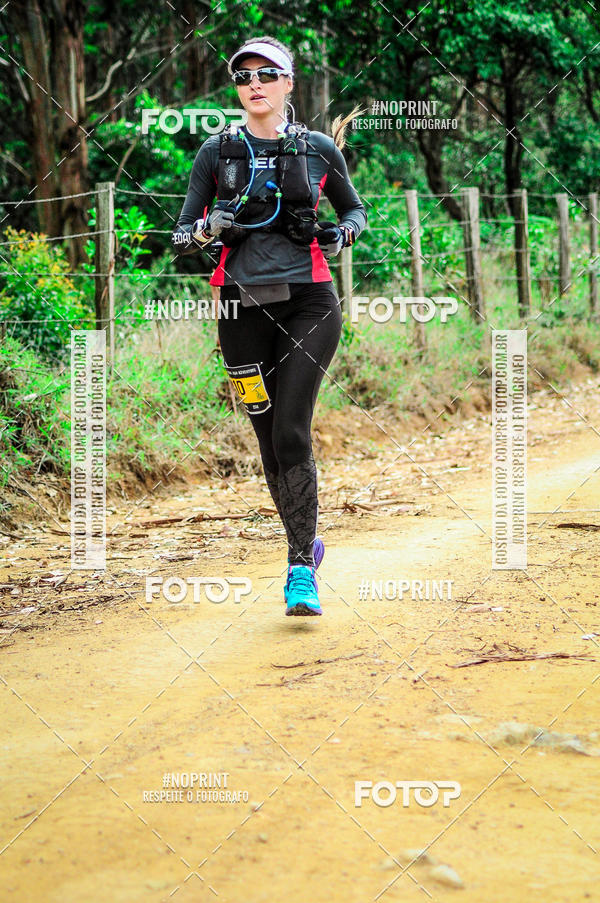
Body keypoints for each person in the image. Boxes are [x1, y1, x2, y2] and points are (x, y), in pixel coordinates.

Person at [172, 35, 367, 616]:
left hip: (309, 303)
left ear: (288, 83)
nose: (253, 83)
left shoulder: (316, 151)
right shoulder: (216, 154)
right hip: (238, 310)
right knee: (266, 440)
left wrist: (341, 234)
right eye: (243, 75)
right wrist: (211, 229)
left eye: (266, 73)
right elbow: (181, 237)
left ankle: (299, 570)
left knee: (291, 433)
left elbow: (354, 211)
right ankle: (305, 544)